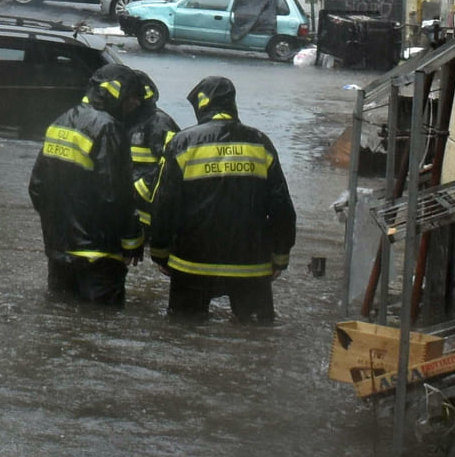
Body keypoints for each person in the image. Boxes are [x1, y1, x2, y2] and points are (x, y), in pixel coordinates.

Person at [148, 76, 295, 323]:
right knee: (256, 334)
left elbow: (164, 204)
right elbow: (282, 207)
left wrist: (160, 253)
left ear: (201, 105)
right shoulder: (260, 143)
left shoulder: (183, 143)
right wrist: (280, 257)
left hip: (191, 264)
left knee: (183, 330)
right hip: (251, 264)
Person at [27, 64, 139, 305]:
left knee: (60, 316)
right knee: (101, 321)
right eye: (131, 99)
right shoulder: (108, 127)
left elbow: (36, 187)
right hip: (98, 256)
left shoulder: (60, 122)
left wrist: (58, 229)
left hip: (58, 252)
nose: (133, 106)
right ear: (117, 93)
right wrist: (131, 242)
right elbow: (114, 195)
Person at [119, 67, 181, 242]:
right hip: (130, 211)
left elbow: (173, 167)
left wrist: (137, 190)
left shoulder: (158, 123)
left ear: (137, 98)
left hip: (147, 214)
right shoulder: (126, 121)